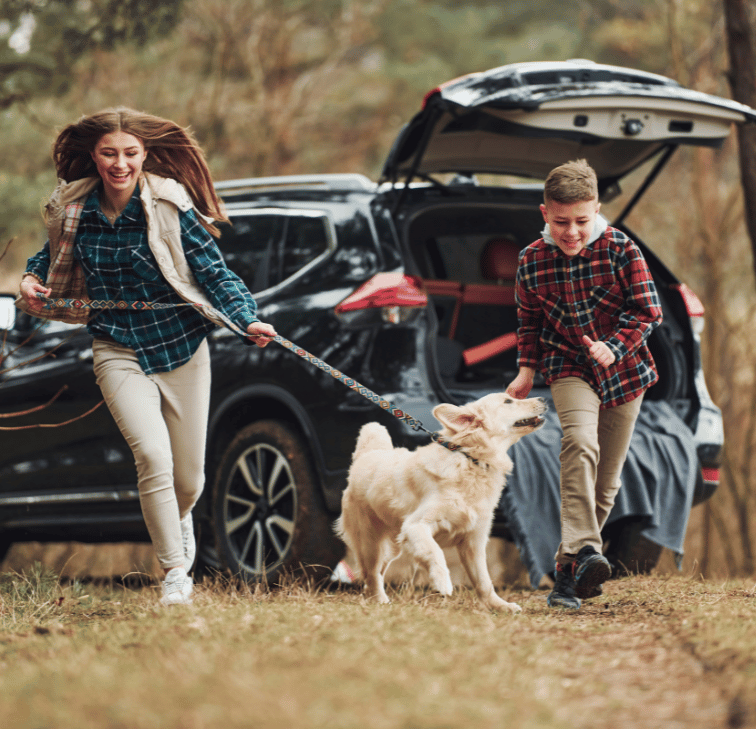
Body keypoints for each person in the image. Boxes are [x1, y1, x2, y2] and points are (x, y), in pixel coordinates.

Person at [16, 107, 277, 606]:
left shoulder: (167, 205)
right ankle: (176, 573)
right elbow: (50, 256)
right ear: (94, 155)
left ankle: (178, 518)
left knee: (188, 478)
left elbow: (217, 275)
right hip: (116, 345)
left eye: (130, 153)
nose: (119, 163)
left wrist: (246, 318)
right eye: (109, 153)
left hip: (182, 345)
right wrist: (31, 277)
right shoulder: (74, 207)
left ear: (145, 155)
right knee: (152, 456)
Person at [506, 159, 663, 610]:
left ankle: (567, 573)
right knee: (579, 442)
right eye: (560, 222)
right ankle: (588, 550)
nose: (571, 232)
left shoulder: (621, 250)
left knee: (606, 484)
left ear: (596, 209)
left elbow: (649, 311)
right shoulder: (532, 261)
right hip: (568, 364)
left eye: (581, 220)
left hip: (625, 370)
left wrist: (615, 345)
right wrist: (526, 370)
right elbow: (529, 319)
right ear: (544, 214)